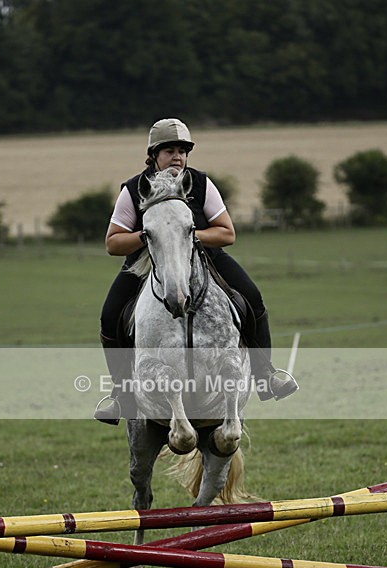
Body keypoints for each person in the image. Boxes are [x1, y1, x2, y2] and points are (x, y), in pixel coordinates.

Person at [94, 118, 298, 424]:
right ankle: (120, 395)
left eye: (182, 151)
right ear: (153, 154)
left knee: (253, 299)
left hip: (206, 259)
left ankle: (265, 375)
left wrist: (186, 236)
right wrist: (151, 237)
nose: (177, 156)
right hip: (146, 262)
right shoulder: (135, 188)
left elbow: (227, 233)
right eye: (169, 151)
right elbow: (112, 242)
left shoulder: (200, 183)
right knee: (110, 316)